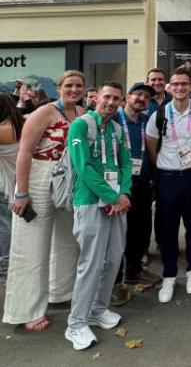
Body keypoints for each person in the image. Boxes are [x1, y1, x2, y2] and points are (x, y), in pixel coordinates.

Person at [5, 70, 87, 332]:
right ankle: (26, 310)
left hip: (68, 179)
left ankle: (60, 291)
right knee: (32, 246)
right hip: (39, 176)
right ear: (60, 87)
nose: (74, 90)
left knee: (67, 240)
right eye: (69, 85)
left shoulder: (83, 114)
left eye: (79, 86)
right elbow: (25, 151)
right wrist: (22, 191)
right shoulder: (45, 112)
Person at [63, 83, 131, 350]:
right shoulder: (81, 125)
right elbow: (84, 168)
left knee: (114, 258)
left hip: (117, 203)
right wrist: (114, 197)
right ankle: (76, 323)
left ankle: (98, 309)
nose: (111, 102)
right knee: (90, 263)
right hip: (90, 201)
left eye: (116, 98)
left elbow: (125, 163)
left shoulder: (116, 128)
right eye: (107, 97)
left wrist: (123, 194)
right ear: (96, 99)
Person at [143, 66, 191, 304]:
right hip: (168, 178)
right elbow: (152, 148)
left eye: (184, 84)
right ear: (169, 87)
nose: (180, 88)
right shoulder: (159, 115)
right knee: (167, 229)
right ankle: (169, 275)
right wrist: (166, 166)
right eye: (176, 84)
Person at [111, 82, 161, 307]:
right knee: (118, 233)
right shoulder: (113, 120)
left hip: (141, 184)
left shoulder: (146, 122)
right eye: (138, 94)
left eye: (147, 97)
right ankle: (114, 284)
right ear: (127, 97)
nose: (142, 99)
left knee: (141, 230)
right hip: (119, 186)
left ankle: (134, 271)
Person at [0, 93, 23, 280]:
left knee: (4, 226)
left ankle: (5, 265)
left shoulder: (3, 129)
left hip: (3, 184)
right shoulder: (22, 125)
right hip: (19, 182)